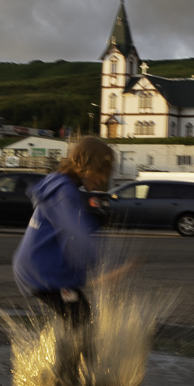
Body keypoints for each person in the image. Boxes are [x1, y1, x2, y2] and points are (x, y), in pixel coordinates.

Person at [12, 136, 113, 325]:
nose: (103, 179)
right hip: (42, 271)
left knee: (79, 317)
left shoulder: (62, 186)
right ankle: (73, 355)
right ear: (85, 164)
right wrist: (104, 263)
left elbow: (75, 227)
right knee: (81, 319)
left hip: (41, 267)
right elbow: (73, 231)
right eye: (101, 172)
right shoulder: (63, 191)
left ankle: (65, 352)